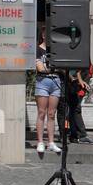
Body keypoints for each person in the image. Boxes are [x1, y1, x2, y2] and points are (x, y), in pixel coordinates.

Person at [32, 26, 63, 156]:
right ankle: (40, 141)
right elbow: (40, 68)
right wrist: (54, 69)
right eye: (47, 34)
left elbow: (61, 66)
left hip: (55, 82)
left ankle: (51, 142)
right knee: (41, 112)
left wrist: (53, 69)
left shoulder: (56, 50)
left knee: (51, 113)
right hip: (43, 82)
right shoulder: (38, 49)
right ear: (43, 35)